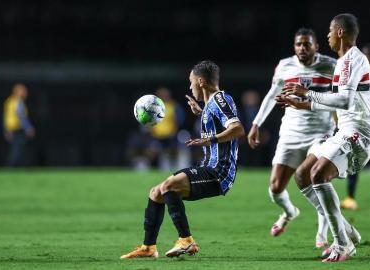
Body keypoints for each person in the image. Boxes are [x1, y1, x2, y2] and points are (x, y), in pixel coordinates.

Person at [278, 13, 370, 262]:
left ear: (340, 33)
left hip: (360, 133)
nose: (328, 36)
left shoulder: (351, 61)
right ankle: (348, 231)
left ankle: (342, 244)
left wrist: (308, 92)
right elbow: (340, 104)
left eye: (330, 32)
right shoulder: (344, 61)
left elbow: (343, 100)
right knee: (303, 176)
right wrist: (301, 104)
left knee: (319, 175)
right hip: (344, 130)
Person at [120, 60, 245, 259]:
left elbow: (237, 129)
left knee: (169, 186)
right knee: (155, 193)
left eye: (191, 81)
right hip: (208, 167)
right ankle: (148, 248)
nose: (190, 86)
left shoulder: (221, 99)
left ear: (201, 81)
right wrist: (203, 113)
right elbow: (221, 124)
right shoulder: (211, 104)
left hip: (219, 171)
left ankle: (186, 241)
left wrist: (208, 140)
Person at [247, 28, 336, 247]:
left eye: (307, 44)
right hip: (290, 131)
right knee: (275, 188)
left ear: (317, 46)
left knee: (317, 180)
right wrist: (256, 123)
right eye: (298, 44)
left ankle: (322, 236)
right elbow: (271, 95)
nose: (302, 48)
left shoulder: (331, 66)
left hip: (321, 131)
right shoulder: (285, 65)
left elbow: (341, 98)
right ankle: (289, 212)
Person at [341, 43, 370, 210]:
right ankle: (350, 198)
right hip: (359, 123)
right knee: (355, 158)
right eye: (366, 56)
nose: (369, 59)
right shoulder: (355, 75)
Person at [150, 87, 185, 170]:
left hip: (170, 134)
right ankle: (159, 168)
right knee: (156, 153)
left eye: (165, 94)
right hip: (156, 135)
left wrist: (175, 128)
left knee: (171, 152)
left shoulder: (174, 105)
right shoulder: (152, 106)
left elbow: (180, 119)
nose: (163, 96)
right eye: (161, 94)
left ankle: (172, 169)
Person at [3, 83, 35, 166]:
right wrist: (28, 128)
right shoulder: (18, 102)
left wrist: (6, 129)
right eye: (23, 91)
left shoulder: (9, 101)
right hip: (17, 129)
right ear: (17, 91)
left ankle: (17, 168)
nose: (25, 93)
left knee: (17, 150)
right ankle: (11, 168)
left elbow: (6, 117)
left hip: (11, 129)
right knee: (17, 151)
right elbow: (21, 116)